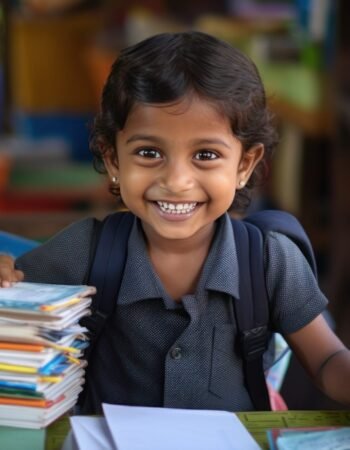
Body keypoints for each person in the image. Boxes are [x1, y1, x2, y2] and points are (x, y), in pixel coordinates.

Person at [0, 31, 349, 414]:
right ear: (114, 160)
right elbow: (13, 296)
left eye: (206, 154)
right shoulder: (88, 250)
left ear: (244, 165)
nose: (177, 181)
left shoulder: (269, 261)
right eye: (149, 153)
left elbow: (327, 359)